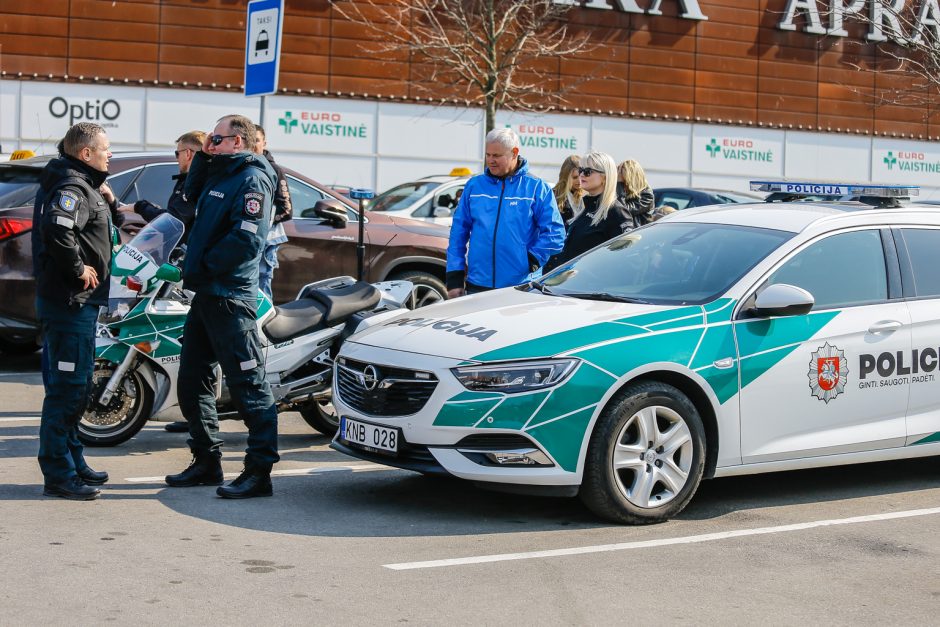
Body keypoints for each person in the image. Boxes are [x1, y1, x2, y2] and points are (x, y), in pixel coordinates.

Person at [164, 114, 280, 499]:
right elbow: (189, 198)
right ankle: (206, 460)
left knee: (249, 386)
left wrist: (204, 266)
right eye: (209, 138)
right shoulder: (221, 171)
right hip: (207, 295)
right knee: (191, 378)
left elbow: (246, 241)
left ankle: (259, 471)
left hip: (231, 296)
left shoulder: (253, 179)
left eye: (217, 137)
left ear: (238, 141)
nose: (211, 142)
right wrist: (202, 158)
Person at [31, 122, 118, 500]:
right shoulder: (71, 187)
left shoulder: (84, 184)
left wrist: (108, 200)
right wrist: (78, 269)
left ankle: (73, 459)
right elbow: (58, 229)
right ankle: (58, 474)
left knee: (78, 386)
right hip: (70, 303)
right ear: (86, 153)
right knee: (67, 391)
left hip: (78, 305)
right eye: (105, 148)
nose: (109, 154)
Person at [446, 128, 564, 296]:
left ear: (514, 152)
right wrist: (454, 277)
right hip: (477, 284)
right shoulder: (474, 186)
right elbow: (458, 232)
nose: (490, 161)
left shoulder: (537, 187)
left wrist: (532, 261)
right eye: (488, 155)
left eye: (497, 156)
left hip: (521, 286)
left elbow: (555, 234)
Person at [544, 151, 638, 273]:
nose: (581, 175)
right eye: (581, 170)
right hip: (563, 283)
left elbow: (626, 259)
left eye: (587, 171)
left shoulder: (616, 211)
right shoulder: (586, 206)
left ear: (604, 176)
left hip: (587, 287)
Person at [120, 131, 206, 242]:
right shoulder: (209, 180)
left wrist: (138, 207)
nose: (177, 159)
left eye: (177, 153)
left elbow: (172, 221)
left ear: (188, 153)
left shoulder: (194, 184)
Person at [253, 125, 292, 301]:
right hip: (248, 237)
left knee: (262, 277)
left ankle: (265, 320)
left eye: (257, 140)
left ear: (264, 143)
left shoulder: (273, 170)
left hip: (268, 238)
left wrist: (264, 222)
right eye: (250, 140)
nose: (254, 145)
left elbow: (287, 209)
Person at [616, 159, 655, 228]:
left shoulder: (646, 195)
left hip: (637, 234)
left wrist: (619, 183)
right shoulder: (622, 190)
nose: (617, 174)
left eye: (620, 172)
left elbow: (622, 210)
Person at [552, 154, 584, 229]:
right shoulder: (553, 195)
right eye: (575, 177)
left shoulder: (586, 194)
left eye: (582, 176)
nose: (579, 181)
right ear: (566, 176)